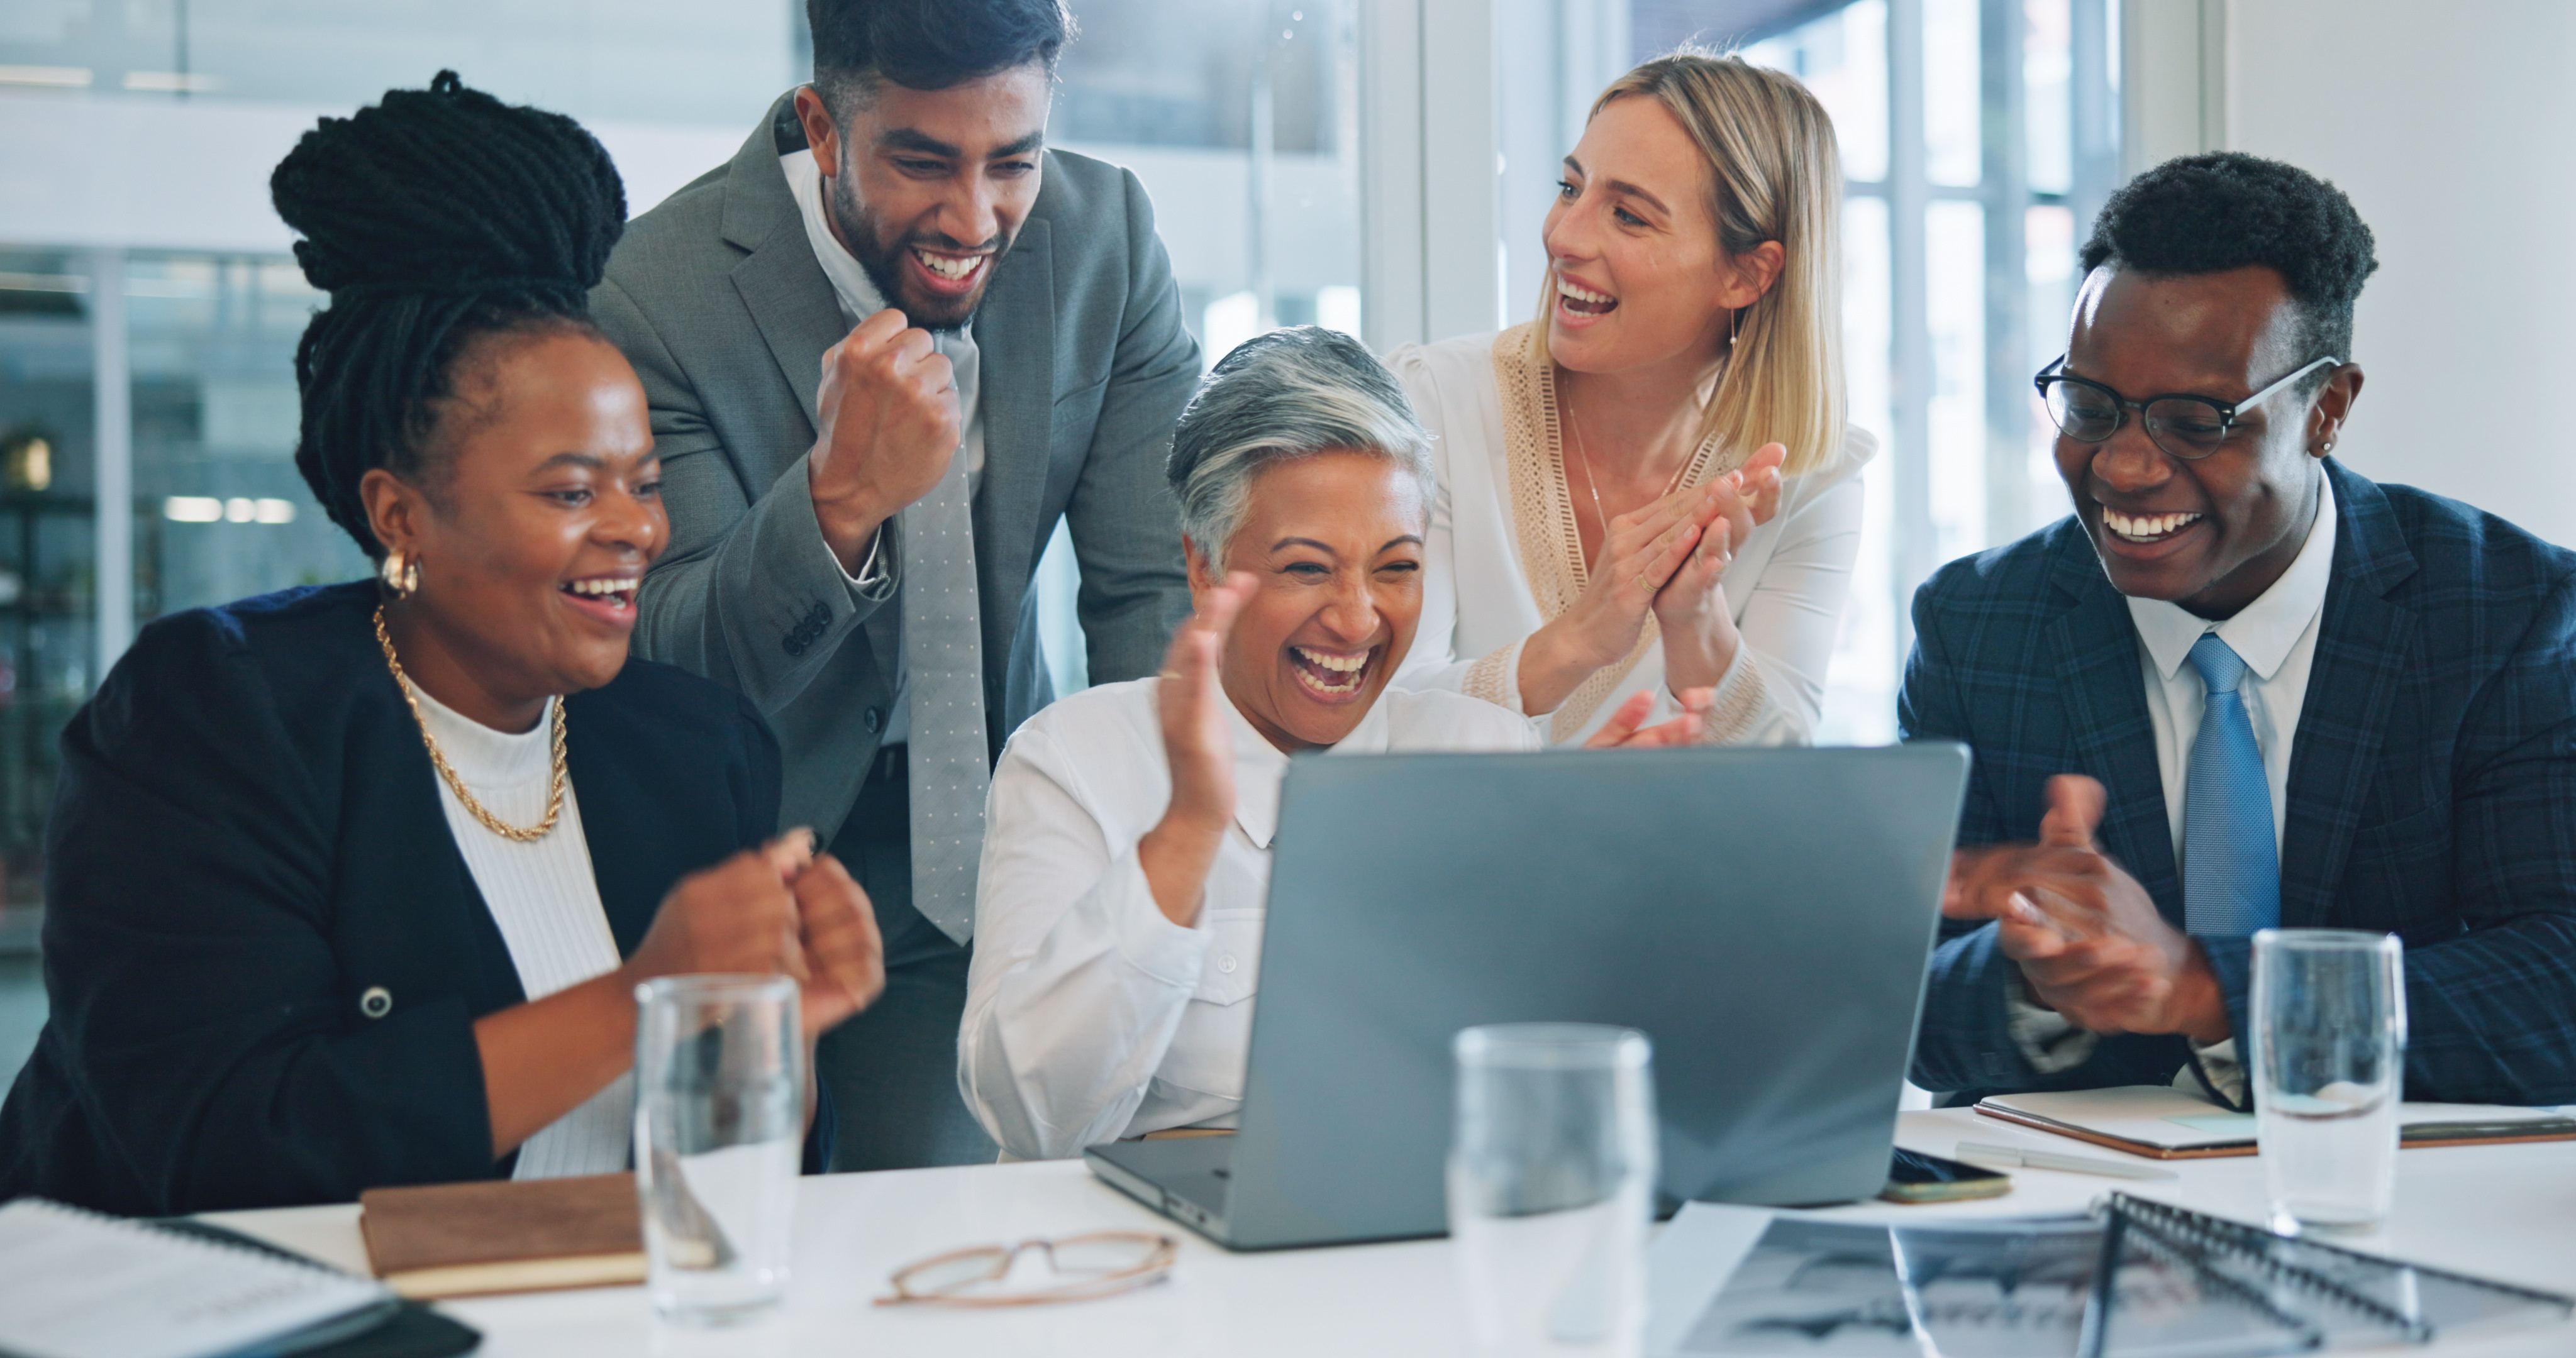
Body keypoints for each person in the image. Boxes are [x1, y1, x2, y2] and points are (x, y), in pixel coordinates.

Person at [0, 74, 886, 1215]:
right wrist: (642, 997)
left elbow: (724, 1194)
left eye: (646, 484)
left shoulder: (694, 747)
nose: (638, 529)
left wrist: (774, 1037)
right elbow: (223, 1147)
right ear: (401, 515)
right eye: (572, 491)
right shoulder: (212, 719)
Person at [592, 0, 1197, 1171]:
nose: (974, 218)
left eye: (1011, 162)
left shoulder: (1104, 236)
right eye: (922, 162)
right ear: (822, 130)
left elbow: (1149, 596)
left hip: (1006, 821)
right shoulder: (654, 292)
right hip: (751, 857)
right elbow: (669, 662)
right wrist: (836, 503)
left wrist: (1158, 855)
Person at [1906, 152, 2576, 1108]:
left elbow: (2558, 981)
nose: (2126, 468)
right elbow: (1904, 1004)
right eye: (2092, 408)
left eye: (2195, 421)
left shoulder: (2508, 613)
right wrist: (2034, 972)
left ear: (2326, 412)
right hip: (2080, 1215)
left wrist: (2209, 989)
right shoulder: (1978, 626)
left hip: (2400, 1205)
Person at [959, 329, 1712, 1161]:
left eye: (1396, 568)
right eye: (1309, 569)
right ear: (1204, 567)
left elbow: (1551, 1104)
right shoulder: (1073, 762)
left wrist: (1587, 894)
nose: (1358, 620)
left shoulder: (1481, 755)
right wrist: (1185, 837)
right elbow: (1027, 1115)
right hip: (1151, 1252)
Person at [1389, 51, 1870, 746]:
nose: (1562, 235)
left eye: (1628, 216)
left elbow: (1782, 787)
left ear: (1747, 274)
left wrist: (1696, 622)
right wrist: (1579, 639)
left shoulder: (1812, 476)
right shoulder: (1432, 405)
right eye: (1569, 188)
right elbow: (1377, 718)